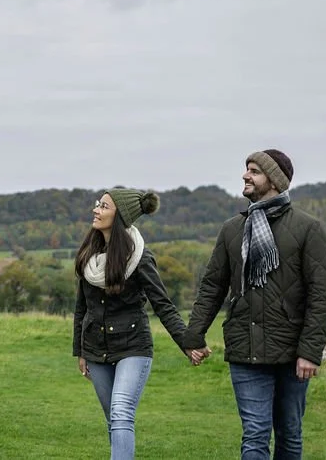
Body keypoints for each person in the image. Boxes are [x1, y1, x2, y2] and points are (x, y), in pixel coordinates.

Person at [182, 149, 326, 459]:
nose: (245, 175)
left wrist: (309, 352)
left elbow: (321, 295)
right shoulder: (232, 229)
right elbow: (212, 286)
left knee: (289, 432)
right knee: (254, 433)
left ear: (274, 180)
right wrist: (194, 335)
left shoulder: (308, 229)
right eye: (246, 169)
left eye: (254, 171)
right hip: (245, 348)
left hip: (292, 352)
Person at [73, 187, 193, 460]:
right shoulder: (88, 255)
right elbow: (82, 308)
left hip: (133, 347)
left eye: (104, 206)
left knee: (121, 413)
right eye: (98, 204)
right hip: (96, 349)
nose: (95, 210)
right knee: (113, 419)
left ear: (120, 216)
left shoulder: (140, 258)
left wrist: (187, 342)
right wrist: (80, 351)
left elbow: (163, 304)